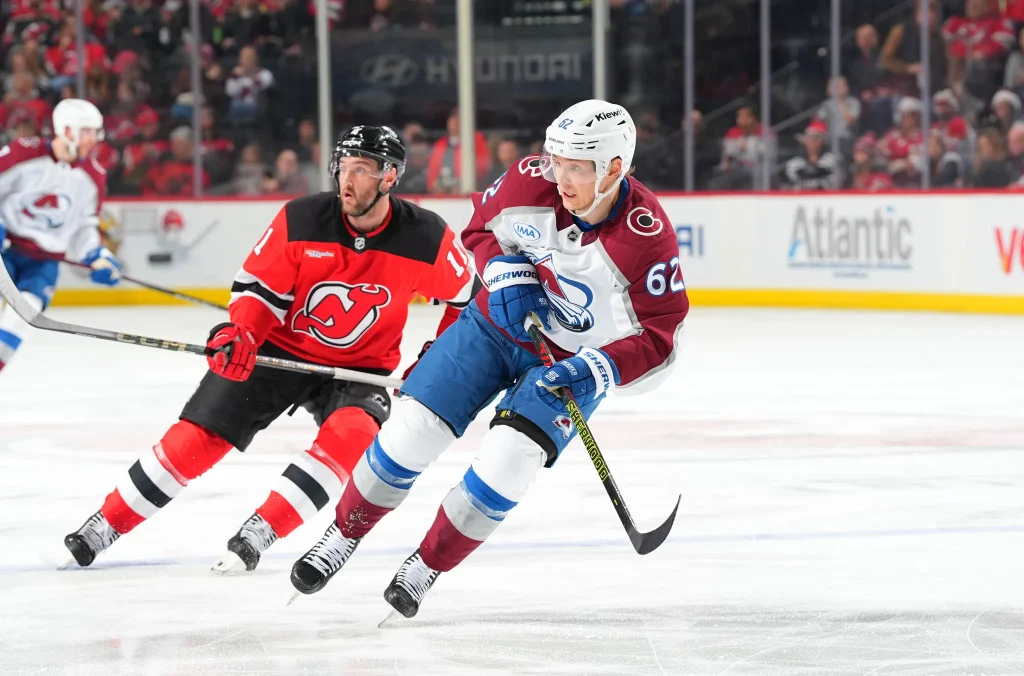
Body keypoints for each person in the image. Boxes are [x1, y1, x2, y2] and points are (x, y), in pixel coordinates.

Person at [288, 100, 690, 619]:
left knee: (508, 463)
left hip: (571, 362)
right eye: (556, 161)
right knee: (412, 429)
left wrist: (598, 368)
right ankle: (343, 535)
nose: (560, 179)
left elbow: (661, 338)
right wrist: (502, 270)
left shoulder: (646, 238)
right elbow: (479, 229)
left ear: (614, 168)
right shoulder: (531, 181)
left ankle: (427, 564)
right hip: (492, 325)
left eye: (576, 167)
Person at [62, 126, 478, 571]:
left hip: (362, 368)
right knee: (199, 437)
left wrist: (434, 356)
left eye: (361, 169)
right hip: (277, 350)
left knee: (354, 436)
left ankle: (262, 529)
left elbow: (467, 300)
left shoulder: (426, 237)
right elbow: (257, 292)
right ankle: (105, 523)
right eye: (344, 168)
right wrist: (240, 333)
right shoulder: (302, 218)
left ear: (390, 177)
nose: (346, 180)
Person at [0, 99, 122, 374]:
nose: (95, 139)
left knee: (22, 317)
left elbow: (84, 226)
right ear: (67, 131)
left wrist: (99, 256)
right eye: (89, 131)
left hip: (43, 263)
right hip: (5, 251)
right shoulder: (23, 153)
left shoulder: (93, 176)